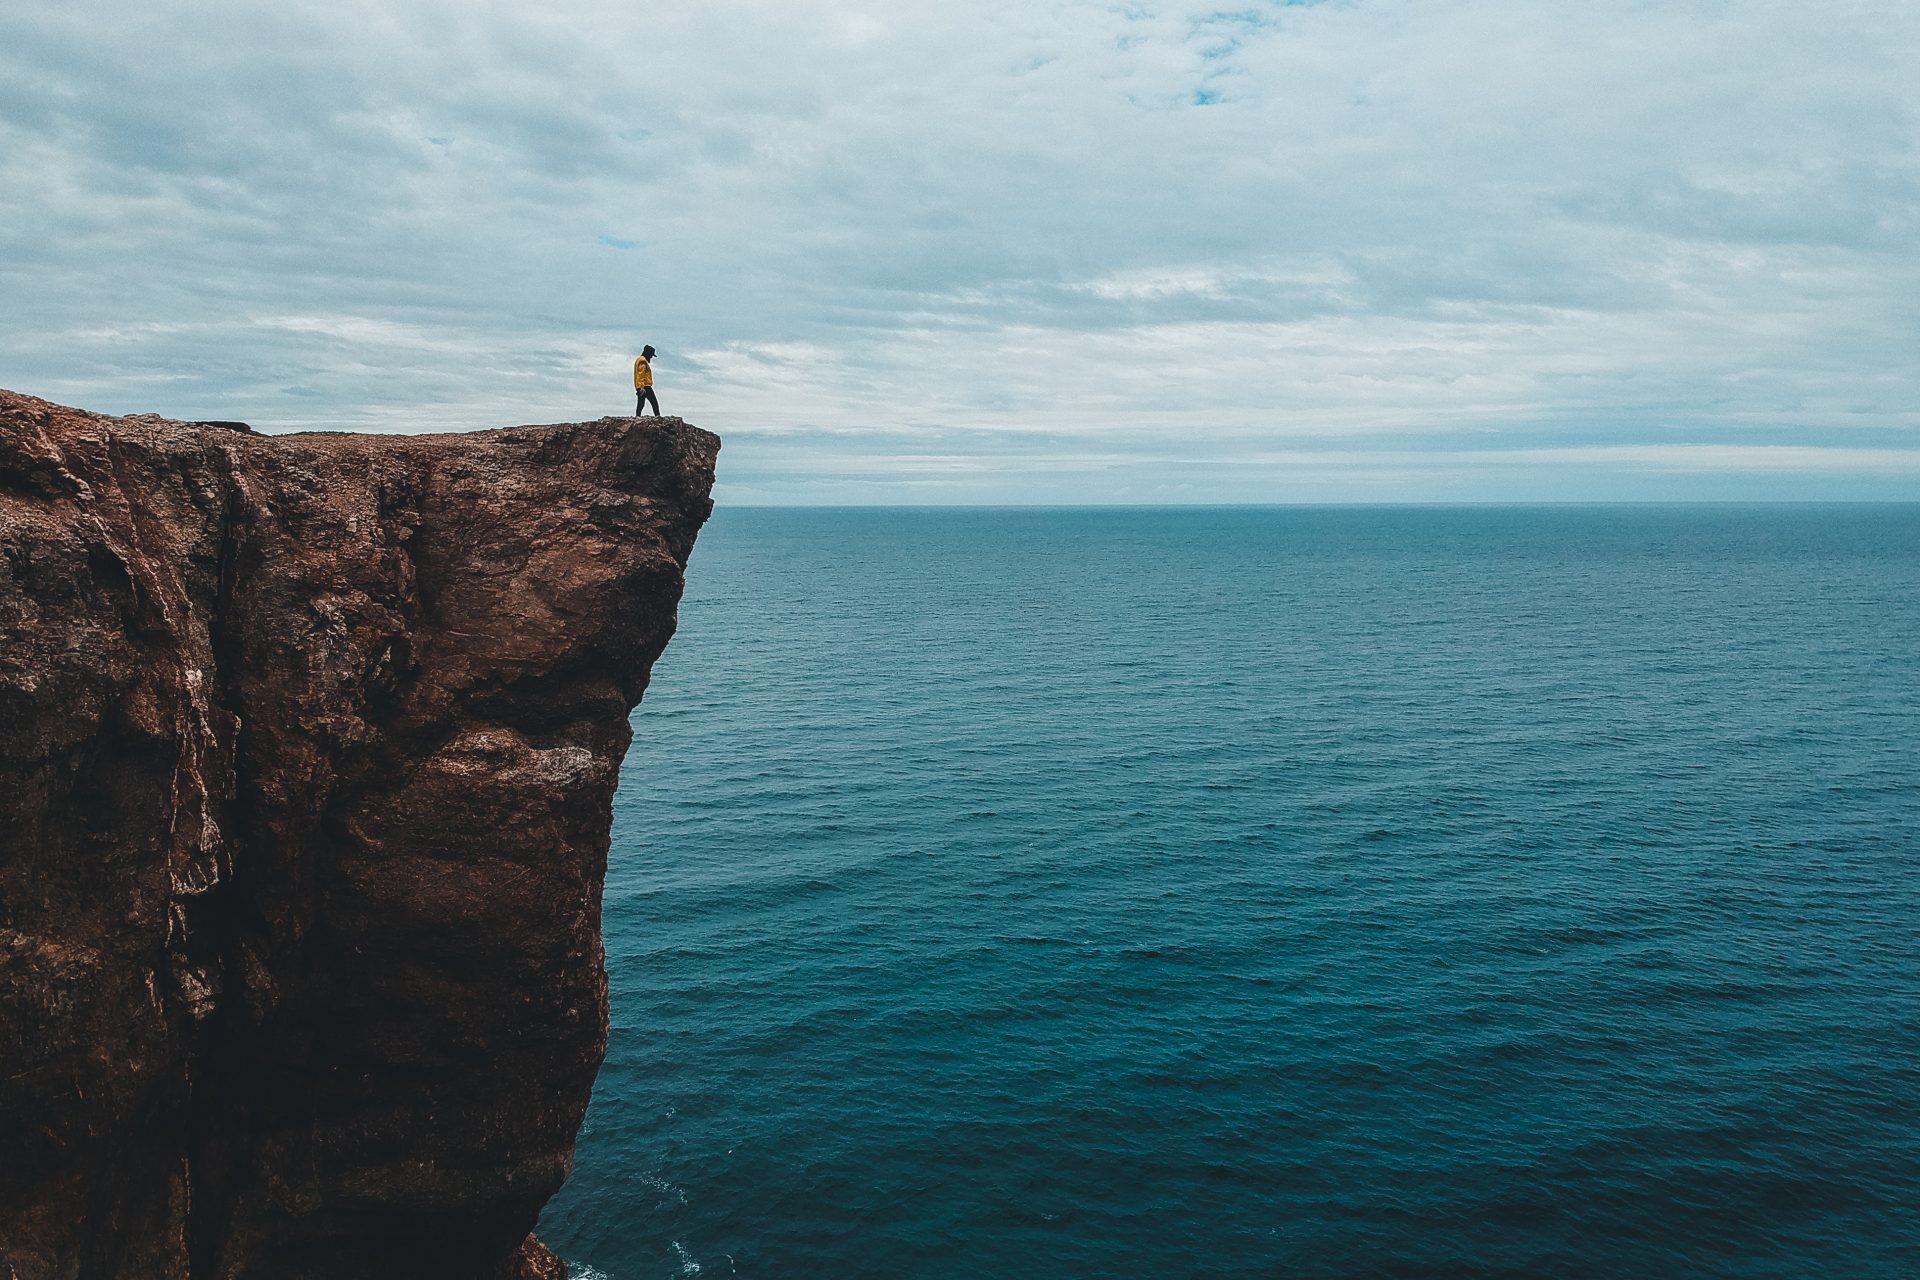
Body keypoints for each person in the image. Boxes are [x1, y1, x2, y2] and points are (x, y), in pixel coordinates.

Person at [634, 345, 659, 416]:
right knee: (654, 403)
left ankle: (637, 417)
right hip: (645, 386)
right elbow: (641, 374)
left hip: (641, 386)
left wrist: (639, 387)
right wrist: (641, 387)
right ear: (648, 353)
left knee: (640, 405)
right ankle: (658, 417)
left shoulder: (639, 359)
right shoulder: (643, 361)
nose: (651, 357)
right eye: (651, 355)